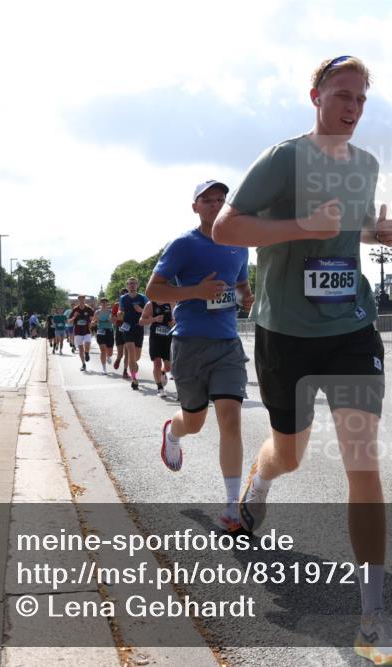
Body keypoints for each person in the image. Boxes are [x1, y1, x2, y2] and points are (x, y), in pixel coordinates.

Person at [212, 55, 392, 666]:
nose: (352, 108)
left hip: (351, 324)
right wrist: (299, 224)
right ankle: (261, 480)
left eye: (361, 100)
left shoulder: (367, 165)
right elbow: (226, 228)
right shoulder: (282, 160)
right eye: (342, 95)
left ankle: (371, 621)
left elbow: (345, 234)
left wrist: (377, 234)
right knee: (291, 452)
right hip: (286, 331)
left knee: (363, 458)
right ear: (316, 96)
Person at [147, 179, 253, 532]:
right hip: (190, 344)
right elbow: (154, 289)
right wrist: (196, 291)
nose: (214, 205)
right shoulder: (183, 245)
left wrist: (246, 297)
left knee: (231, 418)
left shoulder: (239, 246)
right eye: (206, 200)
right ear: (194, 206)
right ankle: (173, 433)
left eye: (220, 200)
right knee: (194, 421)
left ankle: (231, 507)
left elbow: (240, 284)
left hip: (227, 345)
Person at [140, 297, 174, 396]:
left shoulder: (171, 302)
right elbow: (141, 321)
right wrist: (154, 319)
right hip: (155, 338)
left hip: (167, 338)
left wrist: (174, 322)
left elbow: (178, 318)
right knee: (157, 363)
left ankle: (162, 373)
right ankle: (159, 388)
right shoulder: (151, 304)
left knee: (168, 367)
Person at [119, 278, 147, 390]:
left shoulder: (143, 297)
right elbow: (120, 311)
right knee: (130, 352)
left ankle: (133, 364)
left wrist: (140, 310)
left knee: (137, 356)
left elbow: (149, 312)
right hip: (127, 327)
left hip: (139, 327)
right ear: (127, 285)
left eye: (134, 283)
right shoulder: (123, 298)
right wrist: (120, 313)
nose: (132, 285)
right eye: (130, 284)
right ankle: (134, 379)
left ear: (137, 285)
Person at [69, 295, 95, 372]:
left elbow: (93, 319)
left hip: (86, 330)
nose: (81, 301)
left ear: (84, 300)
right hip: (78, 332)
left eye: (83, 299)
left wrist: (92, 322)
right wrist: (74, 317)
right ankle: (83, 364)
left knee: (87, 344)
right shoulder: (75, 309)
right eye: (80, 300)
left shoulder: (88, 309)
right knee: (80, 349)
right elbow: (69, 321)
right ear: (78, 300)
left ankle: (86, 353)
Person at [92, 297, 115, 373]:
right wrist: (94, 322)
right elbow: (93, 322)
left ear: (107, 303)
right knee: (103, 350)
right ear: (100, 303)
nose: (104, 303)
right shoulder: (97, 312)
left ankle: (108, 357)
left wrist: (111, 320)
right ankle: (104, 368)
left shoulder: (111, 311)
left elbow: (114, 321)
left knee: (110, 352)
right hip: (100, 331)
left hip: (109, 331)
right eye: (102, 302)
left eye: (105, 302)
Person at [112, 288, 129, 379]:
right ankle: (118, 359)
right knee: (120, 353)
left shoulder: (132, 304)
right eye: (122, 294)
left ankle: (125, 371)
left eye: (126, 294)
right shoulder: (116, 305)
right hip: (119, 329)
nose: (124, 296)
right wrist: (119, 318)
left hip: (129, 329)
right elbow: (113, 319)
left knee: (127, 353)